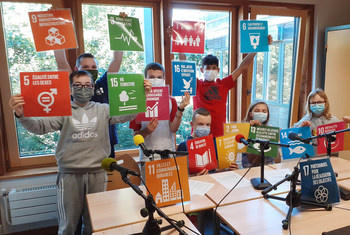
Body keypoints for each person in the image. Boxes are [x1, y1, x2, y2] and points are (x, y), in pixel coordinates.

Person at [8, 70, 151, 235]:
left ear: (93, 87)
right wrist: (20, 114)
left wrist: (143, 96)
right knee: (68, 226)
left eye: (87, 85)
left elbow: (126, 115)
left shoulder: (103, 109)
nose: (83, 88)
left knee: (93, 225)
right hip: (69, 174)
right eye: (77, 85)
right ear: (70, 89)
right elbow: (39, 127)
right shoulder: (62, 109)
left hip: (97, 173)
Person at [192, 35, 273, 138]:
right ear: (202, 70)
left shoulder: (223, 84)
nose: (211, 70)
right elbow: (184, 67)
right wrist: (178, 41)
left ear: (218, 70)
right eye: (207, 68)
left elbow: (243, 66)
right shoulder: (197, 85)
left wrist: (258, 47)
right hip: (199, 134)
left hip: (219, 135)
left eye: (214, 68)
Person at [55, 50, 123, 158]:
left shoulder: (103, 84)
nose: (90, 70)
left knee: (108, 174)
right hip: (79, 145)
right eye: (86, 67)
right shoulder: (72, 86)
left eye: (93, 67)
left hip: (104, 145)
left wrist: (119, 36)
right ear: (77, 69)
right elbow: (61, 61)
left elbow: (117, 61)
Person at [129, 62, 190, 179]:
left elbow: (173, 128)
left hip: (169, 154)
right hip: (148, 157)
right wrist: (146, 131)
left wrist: (180, 109)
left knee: (170, 192)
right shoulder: (137, 102)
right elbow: (135, 136)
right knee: (151, 195)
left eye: (159, 77)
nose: (155, 80)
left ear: (163, 79)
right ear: (145, 78)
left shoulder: (171, 100)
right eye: (151, 77)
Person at [177, 107, 238, 176]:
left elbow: (216, 170)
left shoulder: (214, 143)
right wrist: (195, 176)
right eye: (200, 124)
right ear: (192, 124)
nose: (204, 127)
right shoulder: (183, 146)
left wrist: (228, 169)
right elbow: (179, 176)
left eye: (208, 125)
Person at [241, 100, 275, 168]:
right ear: (250, 114)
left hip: (269, 167)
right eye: (257, 111)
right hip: (250, 169)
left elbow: (274, 156)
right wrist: (256, 131)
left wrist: (276, 140)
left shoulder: (270, 129)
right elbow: (253, 159)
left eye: (264, 111)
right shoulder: (245, 129)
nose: (261, 113)